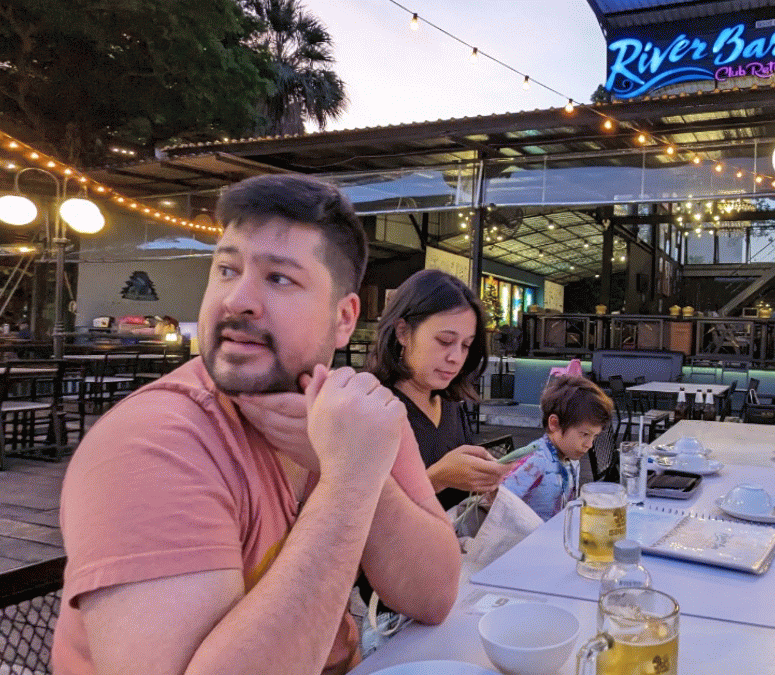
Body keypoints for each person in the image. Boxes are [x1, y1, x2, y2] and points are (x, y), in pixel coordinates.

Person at [54, 175, 460, 675]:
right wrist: (348, 482)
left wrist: (353, 465)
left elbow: (434, 595)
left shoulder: (360, 414)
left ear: (343, 318)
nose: (236, 299)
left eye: (279, 278)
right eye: (226, 270)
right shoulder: (154, 442)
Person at [367, 269, 511, 511]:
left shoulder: (451, 405)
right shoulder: (372, 408)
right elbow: (360, 513)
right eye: (445, 341)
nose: (456, 357)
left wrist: (484, 481)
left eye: (466, 345)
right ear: (402, 332)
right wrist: (436, 479)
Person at [501, 375, 613, 520]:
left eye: (594, 436)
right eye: (585, 434)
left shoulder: (571, 457)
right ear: (554, 424)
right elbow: (498, 503)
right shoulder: (536, 461)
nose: (589, 444)